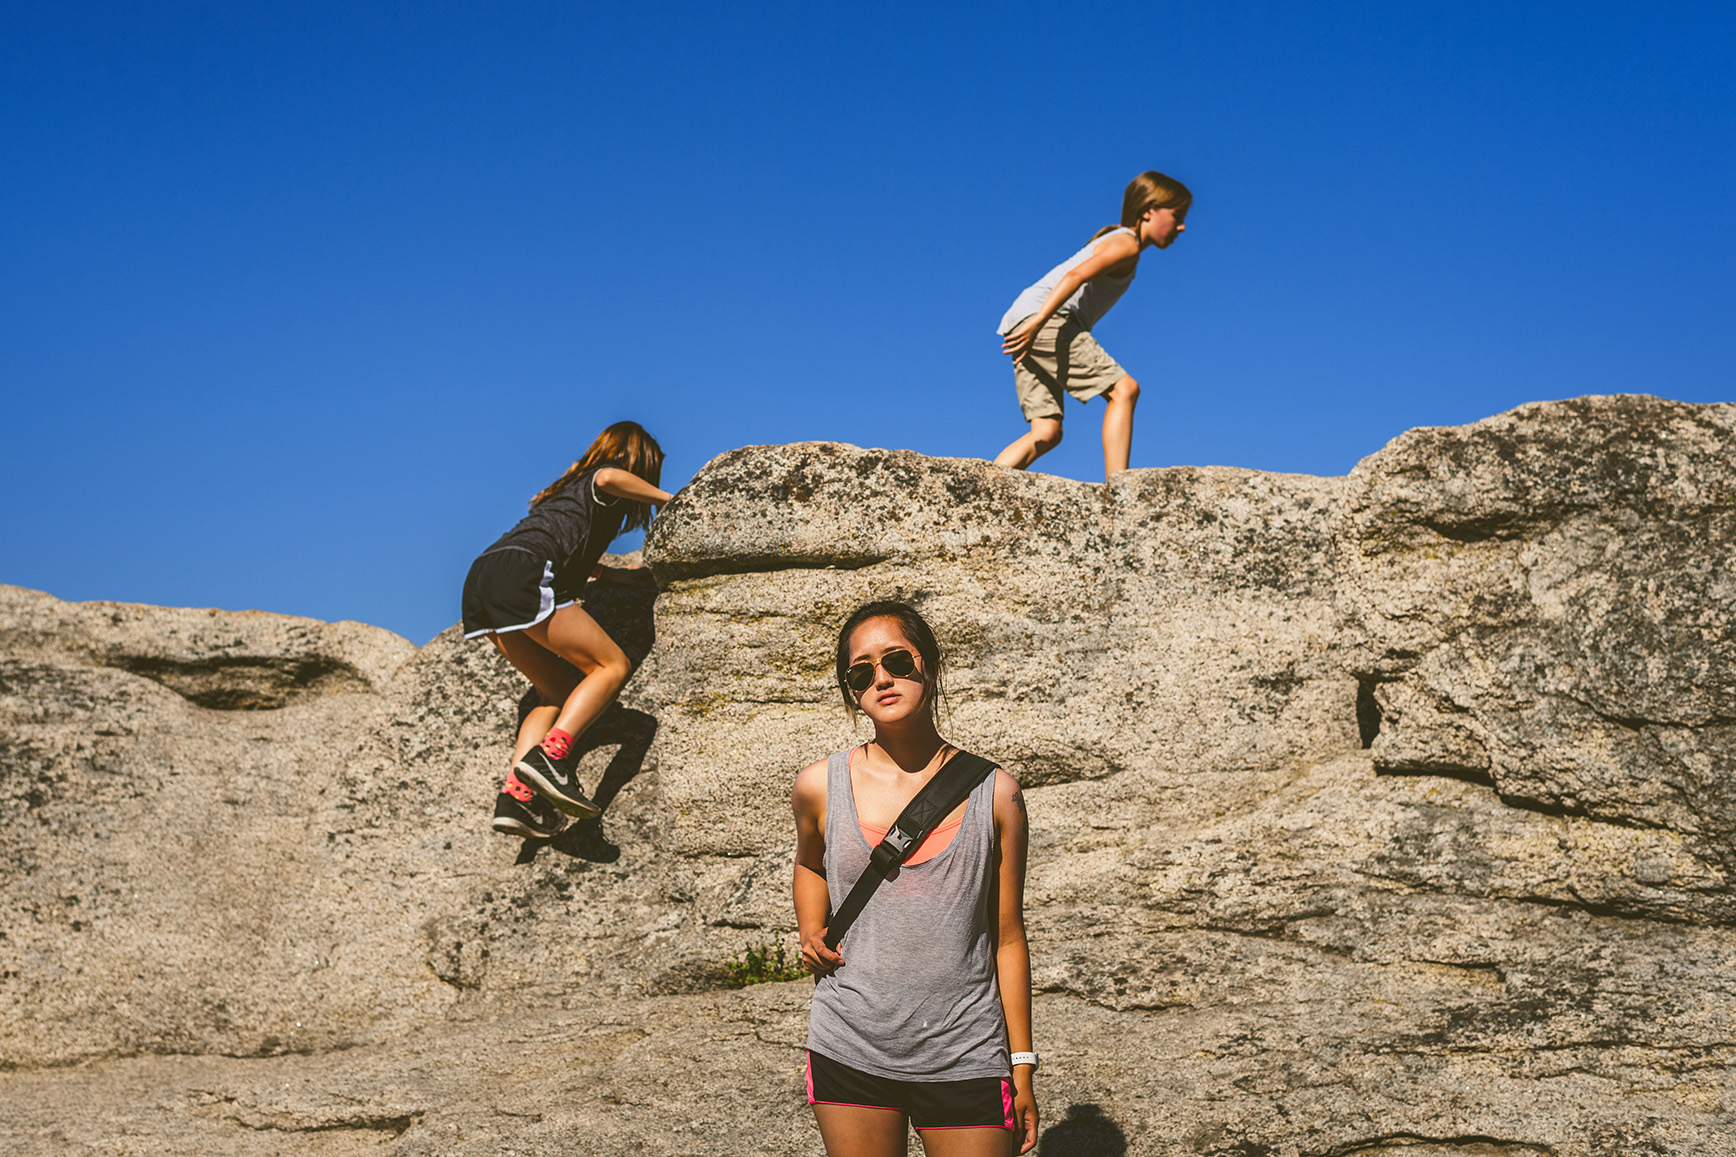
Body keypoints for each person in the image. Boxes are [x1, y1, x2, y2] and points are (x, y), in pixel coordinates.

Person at [792, 601, 1039, 1155]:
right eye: (861, 672)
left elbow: (1007, 937)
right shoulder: (818, 785)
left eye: (897, 661)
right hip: (849, 1045)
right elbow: (810, 863)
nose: (882, 678)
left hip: (965, 1051)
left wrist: (1021, 1065)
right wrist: (812, 927)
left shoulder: (995, 793)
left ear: (928, 665)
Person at [460, 420, 673, 840]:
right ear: (639, 461)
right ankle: (551, 759)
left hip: (482, 578)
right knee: (610, 666)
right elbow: (609, 475)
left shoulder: (564, 494)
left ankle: (516, 797)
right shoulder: (601, 479)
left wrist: (612, 577)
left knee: (554, 691)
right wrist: (674, 500)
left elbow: (567, 547)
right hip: (522, 571)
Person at [993, 170, 1192, 481]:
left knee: (1046, 432)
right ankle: (1120, 491)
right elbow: (1075, 277)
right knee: (1124, 390)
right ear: (1148, 210)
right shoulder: (1126, 243)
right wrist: (1038, 322)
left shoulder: (1115, 237)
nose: (1181, 226)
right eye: (1177, 215)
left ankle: (983, 484)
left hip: (1022, 319)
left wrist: (1031, 323)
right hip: (1044, 319)